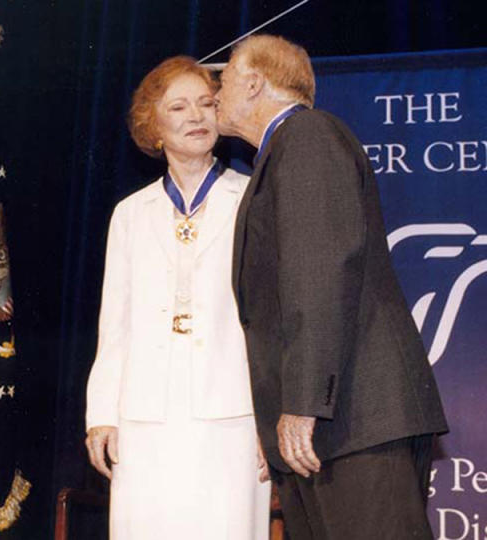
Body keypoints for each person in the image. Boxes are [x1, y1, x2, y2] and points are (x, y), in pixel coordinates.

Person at [214, 34, 449, 539]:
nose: (217, 90)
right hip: (334, 425)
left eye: (225, 75)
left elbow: (320, 274)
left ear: (254, 81)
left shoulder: (306, 136)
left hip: (355, 418)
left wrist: (302, 403)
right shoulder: (282, 152)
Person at [84, 56, 270, 539]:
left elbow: (271, 320)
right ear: (153, 126)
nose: (197, 116)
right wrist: (102, 415)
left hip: (231, 415)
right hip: (146, 419)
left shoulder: (254, 198)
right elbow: (115, 323)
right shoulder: (130, 213)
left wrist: (269, 418)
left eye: (207, 104)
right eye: (179, 107)